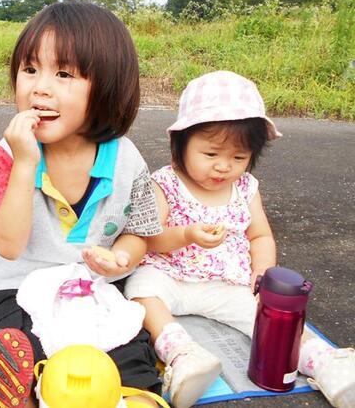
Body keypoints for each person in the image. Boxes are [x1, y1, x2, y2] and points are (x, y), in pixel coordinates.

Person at [0, 0, 164, 407]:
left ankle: (136, 399)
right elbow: (8, 246)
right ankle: (11, 393)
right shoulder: (9, 153)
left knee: (128, 351)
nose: (39, 87)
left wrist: (121, 258)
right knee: (18, 347)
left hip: (97, 290)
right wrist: (25, 163)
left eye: (63, 74)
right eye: (30, 69)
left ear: (107, 85)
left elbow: (140, 231)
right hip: (19, 288)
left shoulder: (125, 158)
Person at [124, 70, 355, 408]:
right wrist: (187, 234)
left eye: (238, 157)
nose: (223, 167)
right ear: (181, 144)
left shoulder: (245, 188)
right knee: (139, 291)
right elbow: (151, 239)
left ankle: (325, 363)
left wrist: (262, 275)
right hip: (169, 275)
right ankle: (183, 355)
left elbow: (260, 234)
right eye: (211, 154)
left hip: (225, 283)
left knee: (267, 315)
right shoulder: (165, 182)